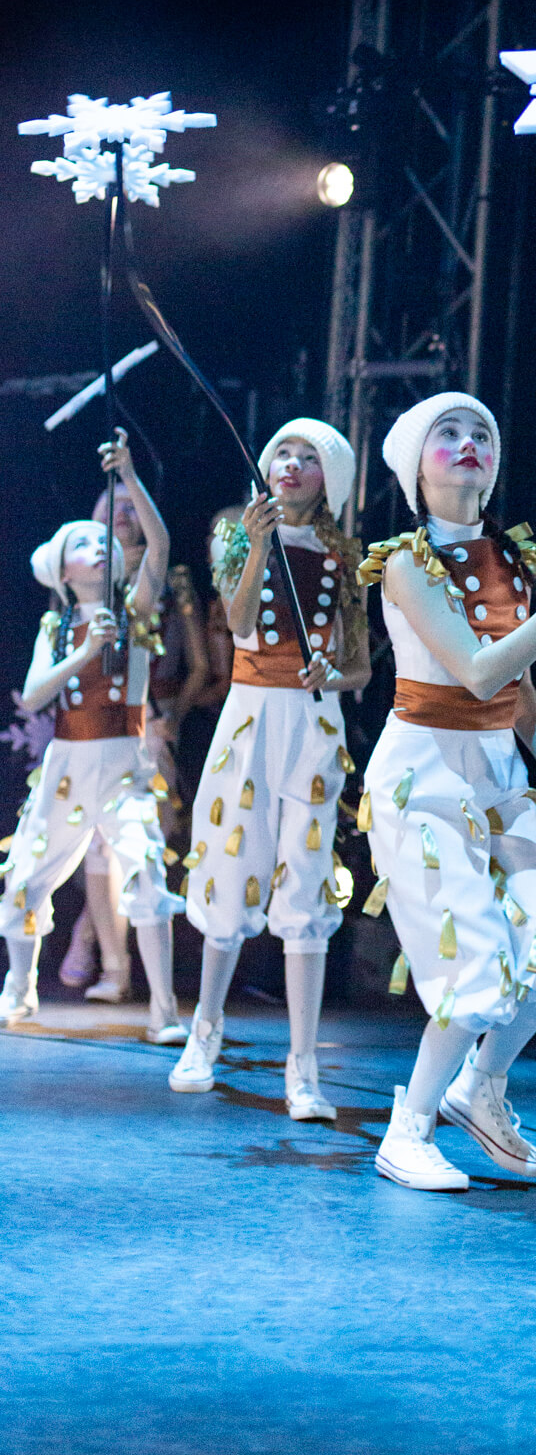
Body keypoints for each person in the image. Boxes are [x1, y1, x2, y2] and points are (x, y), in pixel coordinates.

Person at [360, 393, 536, 1191]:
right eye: (449, 433)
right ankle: (407, 1131)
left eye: (482, 434)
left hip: (497, 778)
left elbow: (518, 679)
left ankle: (480, 1087)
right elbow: (477, 670)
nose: (469, 442)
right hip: (422, 775)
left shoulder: (510, 557)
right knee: (476, 971)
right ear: (414, 466)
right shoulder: (404, 561)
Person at [168, 421, 368, 1119]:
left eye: (307, 458)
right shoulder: (238, 537)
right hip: (249, 721)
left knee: (307, 883)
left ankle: (303, 1066)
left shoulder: (346, 558)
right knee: (229, 866)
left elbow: (361, 666)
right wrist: (256, 546)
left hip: (311, 726)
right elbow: (240, 619)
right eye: (283, 453)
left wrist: (330, 672)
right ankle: (205, 1029)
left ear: (328, 480)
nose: (291, 464)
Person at [0, 431, 184, 1036]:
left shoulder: (134, 610)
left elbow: (157, 543)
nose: (100, 547)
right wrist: (86, 652)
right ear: (61, 569)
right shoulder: (57, 627)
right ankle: (20, 984)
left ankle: (161, 1011)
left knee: (147, 876)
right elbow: (31, 695)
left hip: (126, 769)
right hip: (67, 768)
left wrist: (129, 474)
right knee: (27, 877)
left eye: (105, 540)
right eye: (83, 543)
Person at [59, 486, 209, 998]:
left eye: (132, 505)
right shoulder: (84, 573)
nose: (122, 514)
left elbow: (202, 669)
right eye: (112, 504)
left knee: (143, 843)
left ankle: (94, 939)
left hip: (153, 723)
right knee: (99, 849)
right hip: (94, 725)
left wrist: (170, 715)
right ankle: (112, 967)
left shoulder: (163, 579)